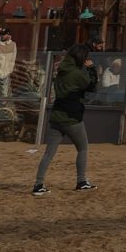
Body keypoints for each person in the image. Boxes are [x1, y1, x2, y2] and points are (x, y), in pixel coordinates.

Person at [33, 40, 97, 196]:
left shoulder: (61, 71)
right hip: (72, 117)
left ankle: (38, 185)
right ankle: (81, 181)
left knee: (49, 153)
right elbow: (92, 86)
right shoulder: (76, 74)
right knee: (83, 148)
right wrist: (92, 69)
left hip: (56, 116)